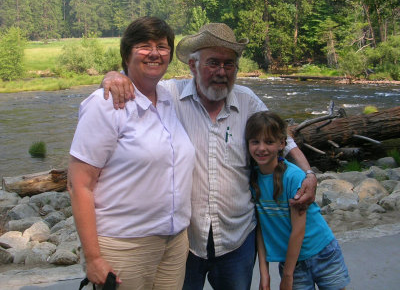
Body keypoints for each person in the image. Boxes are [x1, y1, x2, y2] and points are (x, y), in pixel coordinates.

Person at [101, 23, 318, 290]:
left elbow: (282, 137)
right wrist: (114, 75)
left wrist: (308, 173)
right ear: (193, 66)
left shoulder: (247, 100)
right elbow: (137, 81)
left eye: (229, 65)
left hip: (237, 238)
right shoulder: (169, 96)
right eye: (213, 63)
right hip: (185, 241)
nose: (221, 72)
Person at [67, 16, 195, 290]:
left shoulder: (169, 98)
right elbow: (78, 185)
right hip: (124, 247)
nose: (154, 53)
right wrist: (93, 258)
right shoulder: (104, 104)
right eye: (144, 45)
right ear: (127, 53)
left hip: (173, 245)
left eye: (162, 46)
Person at [245, 111, 350, 290]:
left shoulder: (293, 177)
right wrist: (264, 272)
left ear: (281, 144)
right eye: (255, 142)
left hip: (322, 251)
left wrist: (287, 275)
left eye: (269, 142)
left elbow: (298, 230)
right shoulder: (252, 179)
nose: (261, 148)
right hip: (290, 259)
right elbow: (261, 229)